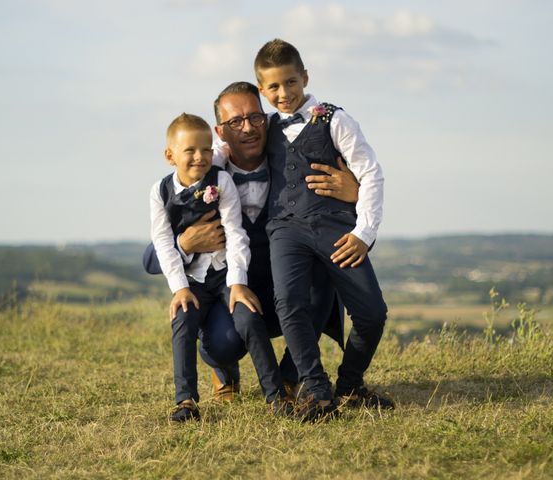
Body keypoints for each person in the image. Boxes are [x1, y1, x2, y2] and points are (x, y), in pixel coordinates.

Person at [144, 83, 361, 411]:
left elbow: (337, 211)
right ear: (221, 131)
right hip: (227, 296)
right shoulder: (205, 175)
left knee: (322, 275)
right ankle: (220, 365)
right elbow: (150, 259)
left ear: (267, 119)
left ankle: (291, 375)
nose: (248, 128)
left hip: (282, 293)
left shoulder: (294, 163)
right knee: (224, 342)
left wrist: (355, 191)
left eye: (255, 117)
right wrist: (184, 243)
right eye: (235, 122)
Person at [254, 38, 394, 420]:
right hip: (285, 229)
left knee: (371, 314)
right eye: (273, 87)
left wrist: (364, 232)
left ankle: (350, 385)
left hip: (337, 229)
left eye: (290, 83)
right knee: (290, 302)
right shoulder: (264, 128)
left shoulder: (335, 119)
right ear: (263, 90)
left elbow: (371, 174)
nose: (284, 93)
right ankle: (315, 390)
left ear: (305, 77)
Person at [150, 113, 292, 422]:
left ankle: (277, 395)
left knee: (249, 317)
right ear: (170, 155)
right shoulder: (160, 192)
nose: (199, 157)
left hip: (226, 272)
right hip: (192, 280)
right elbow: (162, 243)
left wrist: (238, 282)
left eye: (204, 149)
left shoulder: (221, 180)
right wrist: (180, 289)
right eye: (190, 150)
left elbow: (236, 232)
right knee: (183, 319)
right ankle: (185, 400)